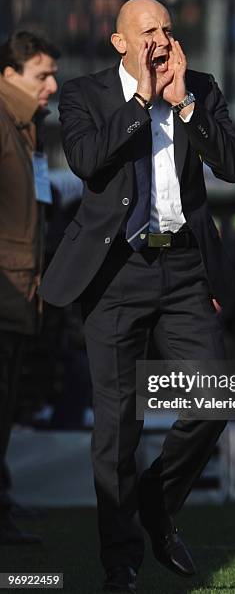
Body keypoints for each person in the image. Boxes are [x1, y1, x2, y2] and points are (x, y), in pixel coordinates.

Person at [39, 0, 235, 592]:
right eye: (147, 30)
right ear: (120, 42)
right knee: (117, 426)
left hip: (184, 270)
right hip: (113, 274)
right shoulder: (85, 93)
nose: (160, 39)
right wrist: (143, 101)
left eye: (167, 29)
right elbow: (84, 160)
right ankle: (120, 561)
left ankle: (156, 504)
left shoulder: (200, 88)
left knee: (215, 397)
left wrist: (182, 102)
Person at [0, 31, 59, 543]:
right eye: (42, 74)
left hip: (20, 293)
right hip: (5, 294)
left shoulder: (26, 129)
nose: (53, 85)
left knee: (7, 406)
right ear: (8, 75)